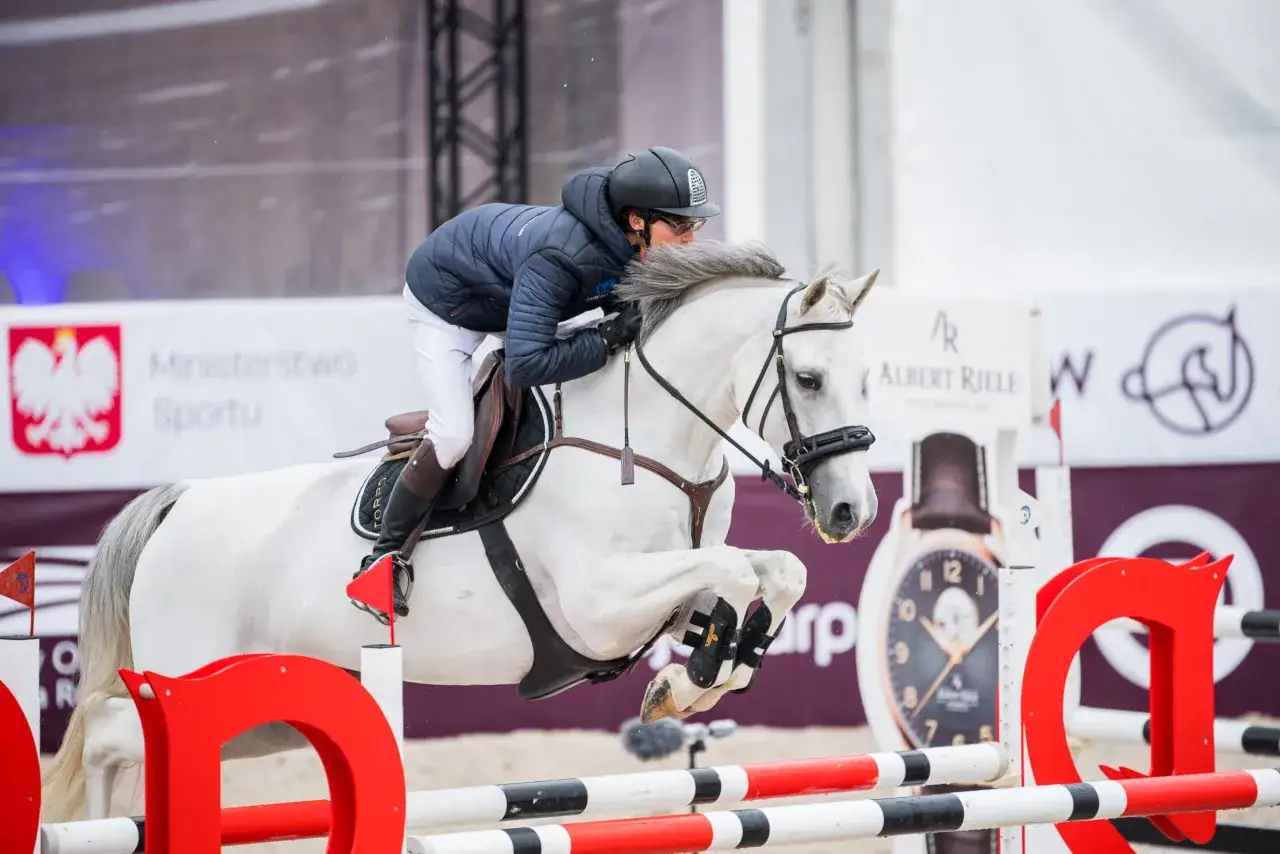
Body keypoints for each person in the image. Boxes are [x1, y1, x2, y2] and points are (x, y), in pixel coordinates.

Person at [351, 145, 721, 624]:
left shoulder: (635, 246)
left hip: (505, 287)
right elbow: (525, 364)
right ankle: (384, 560)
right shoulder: (562, 254)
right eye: (681, 226)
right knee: (453, 434)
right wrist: (607, 334)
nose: (691, 239)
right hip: (447, 303)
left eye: (696, 225)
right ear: (636, 221)